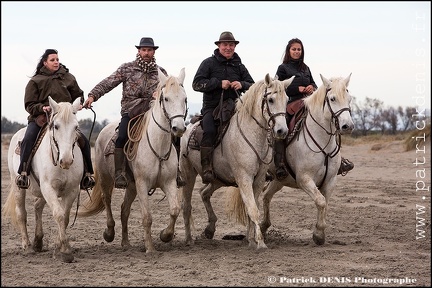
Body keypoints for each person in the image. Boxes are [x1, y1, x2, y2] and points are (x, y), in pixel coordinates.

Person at [83, 37, 181, 189]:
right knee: (121, 136)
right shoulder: (127, 68)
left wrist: (158, 93)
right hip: (131, 110)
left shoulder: (161, 72)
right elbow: (109, 82)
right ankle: (119, 173)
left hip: (152, 112)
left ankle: (177, 170)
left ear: (154, 51)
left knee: (174, 135)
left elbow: (167, 92)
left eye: (149, 50)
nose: (146, 53)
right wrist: (93, 95)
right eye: (143, 50)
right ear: (139, 51)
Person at [273, 38, 354, 180]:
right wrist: (297, 88)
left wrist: (312, 88)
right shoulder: (282, 68)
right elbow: (278, 87)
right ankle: (279, 163)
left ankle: (337, 160)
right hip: (290, 103)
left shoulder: (306, 68)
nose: (297, 52)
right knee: (282, 128)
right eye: (294, 49)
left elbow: (315, 86)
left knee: (327, 122)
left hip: (308, 102)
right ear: (288, 51)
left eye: (299, 49)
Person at [15, 49, 95, 190]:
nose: (56, 62)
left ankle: (88, 175)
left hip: (65, 120)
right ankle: (23, 172)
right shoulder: (35, 81)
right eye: (52, 60)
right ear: (45, 62)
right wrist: (42, 108)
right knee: (28, 138)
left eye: (57, 59)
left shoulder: (68, 77)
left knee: (84, 141)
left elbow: (78, 95)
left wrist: (78, 104)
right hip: (41, 119)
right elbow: (29, 104)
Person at [192, 31, 255, 184]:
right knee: (210, 130)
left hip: (236, 107)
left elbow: (253, 85)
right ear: (219, 46)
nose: (228, 47)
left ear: (235, 46)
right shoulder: (208, 63)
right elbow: (196, 84)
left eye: (231, 45)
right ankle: (206, 168)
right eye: (225, 44)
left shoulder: (239, 66)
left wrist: (242, 84)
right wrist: (218, 83)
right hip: (212, 107)